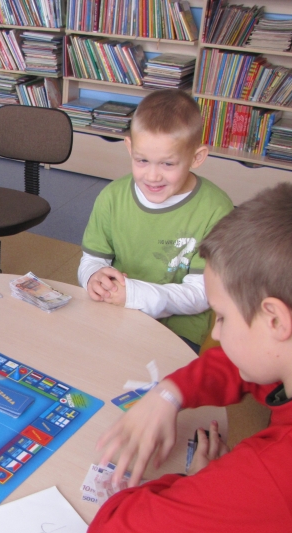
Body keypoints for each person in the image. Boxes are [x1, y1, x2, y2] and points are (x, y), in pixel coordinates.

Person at [34, 183, 292, 533]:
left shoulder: (280, 477)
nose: (216, 333)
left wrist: (194, 484)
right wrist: (169, 393)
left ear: (275, 321)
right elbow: (248, 364)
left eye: (223, 318)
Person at [78, 89, 234, 353]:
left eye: (167, 164)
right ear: (130, 148)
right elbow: (92, 260)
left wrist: (135, 295)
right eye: (142, 160)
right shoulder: (112, 197)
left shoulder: (216, 210)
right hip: (113, 314)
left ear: (196, 157)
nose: (152, 176)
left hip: (178, 332)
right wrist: (93, 276)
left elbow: (202, 294)